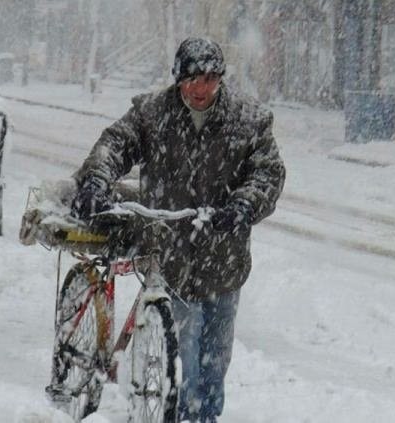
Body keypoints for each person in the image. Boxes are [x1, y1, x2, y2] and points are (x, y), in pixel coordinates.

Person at [70, 37, 286, 422]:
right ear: (178, 79)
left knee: (215, 360)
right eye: (192, 80)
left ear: (220, 79)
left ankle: (206, 417)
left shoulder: (248, 119)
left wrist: (243, 205)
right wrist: (96, 180)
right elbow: (115, 144)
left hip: (224, 258)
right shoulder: (153, 113)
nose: (200, 89)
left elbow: (267, 173)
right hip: (172, 255)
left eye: (209, 79)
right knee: (186, 356)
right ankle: (183, 413)